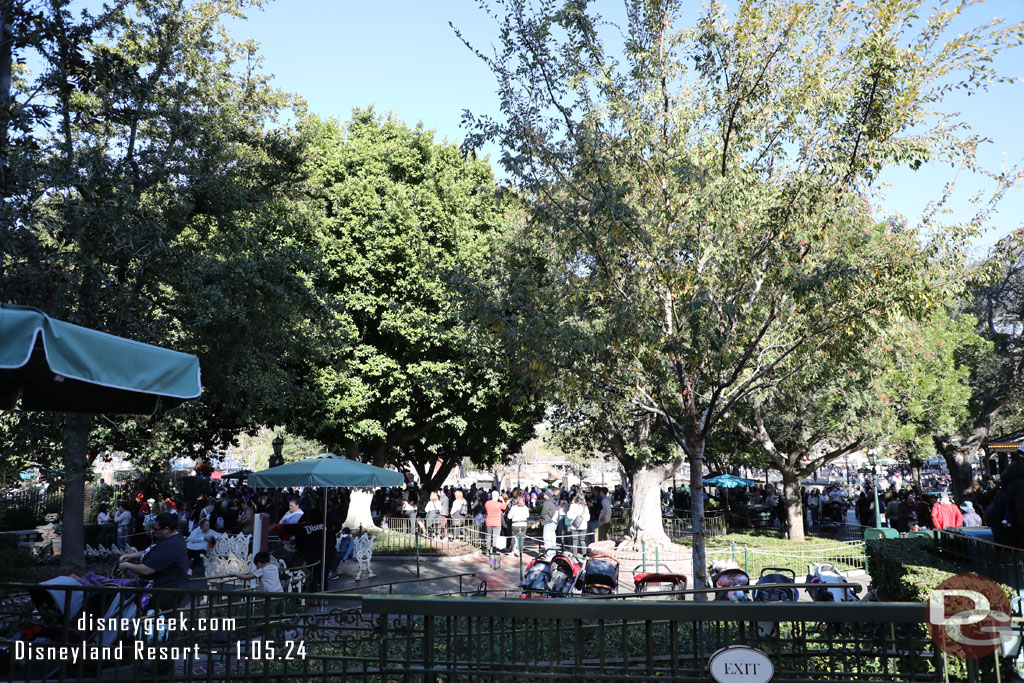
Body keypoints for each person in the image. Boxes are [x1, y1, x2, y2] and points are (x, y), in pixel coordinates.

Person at [118, 513, 189, 609]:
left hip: (165, 593)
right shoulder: (169, 538)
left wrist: (127, 565)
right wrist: (130, 556)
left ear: (166, 529)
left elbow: (147, 569)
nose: (153, 531)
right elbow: (151, 550)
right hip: (161, 589)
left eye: (156, 529)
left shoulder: (171, 545)